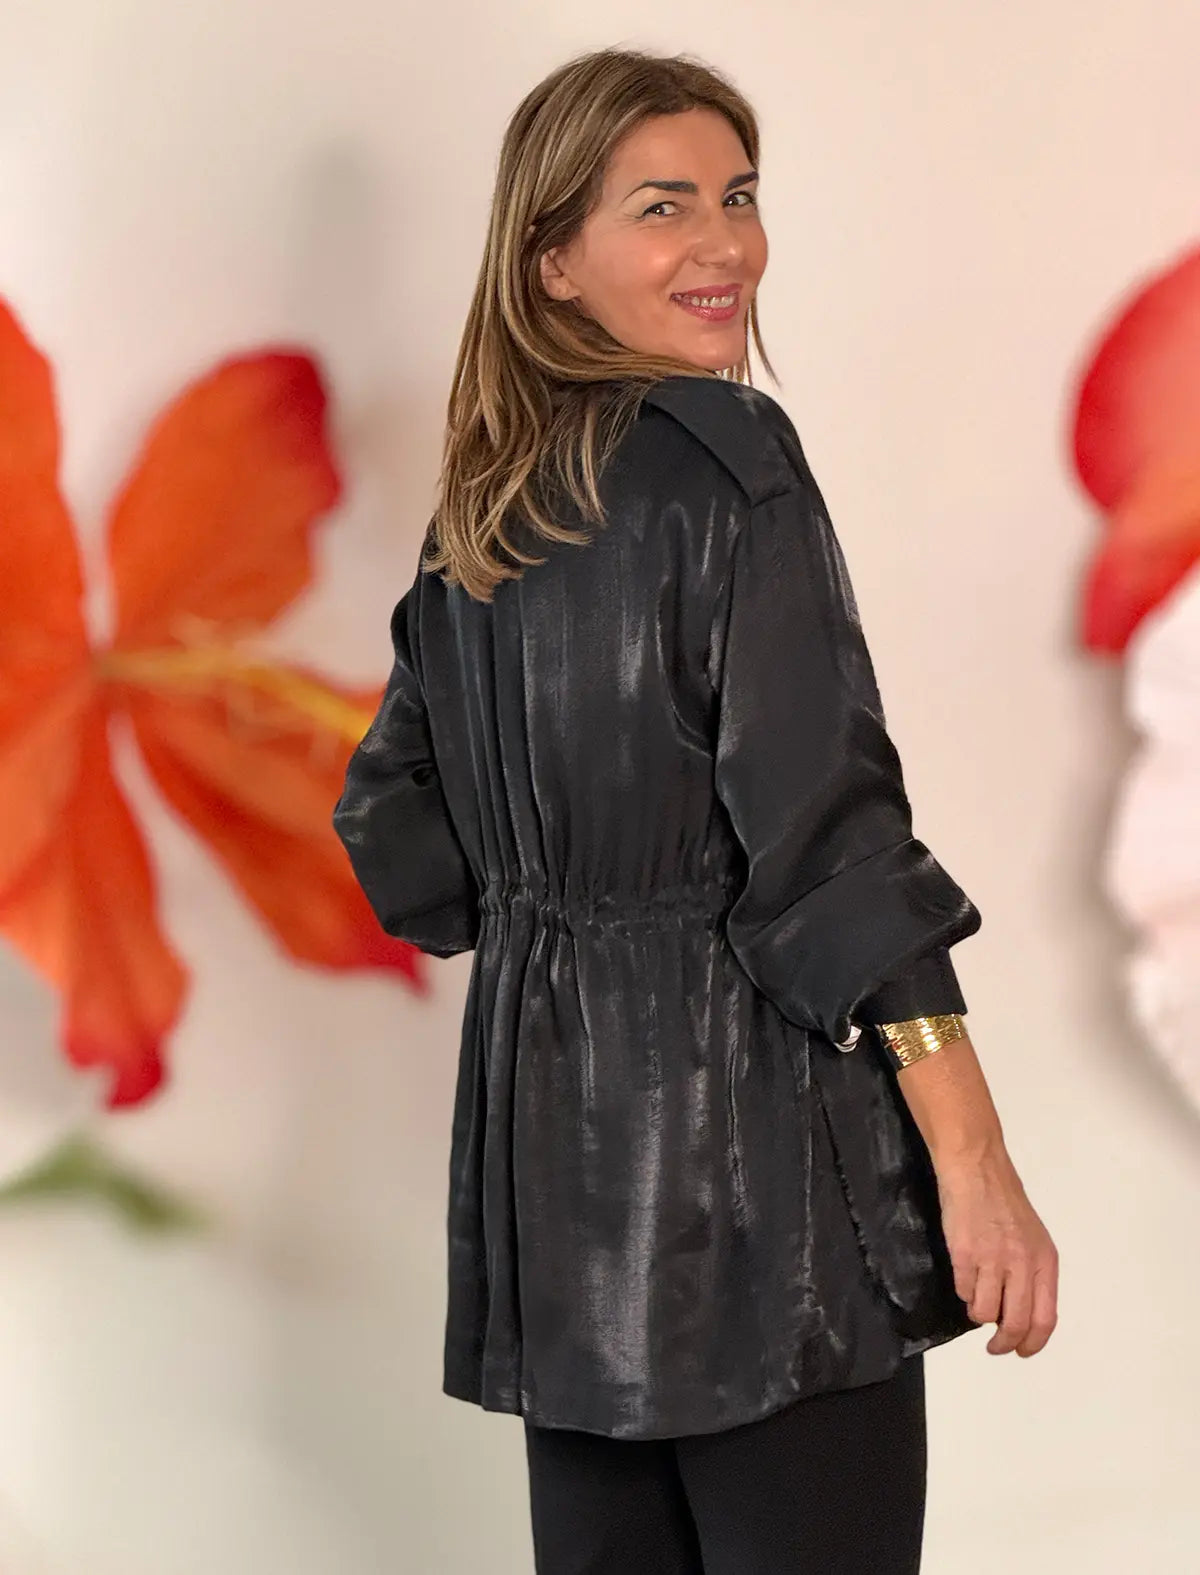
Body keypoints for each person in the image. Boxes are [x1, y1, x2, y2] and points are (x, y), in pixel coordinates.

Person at [333, 46, 1059, 1575]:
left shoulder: (484, 512)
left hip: (556, 1188)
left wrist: (555, 911)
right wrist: (977, 1160)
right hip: (759, 1187)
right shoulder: (734, 463)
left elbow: (397, 828)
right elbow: (832, 847)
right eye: (662, 207)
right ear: (553, 262)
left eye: (739, 196)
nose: (724, 243)